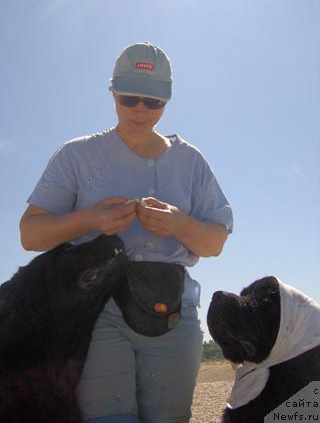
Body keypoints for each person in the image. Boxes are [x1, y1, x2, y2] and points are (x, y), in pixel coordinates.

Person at [19, 42, 233, 423]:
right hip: (97, 308)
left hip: (173, 311)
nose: (140, 109)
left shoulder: (191, 161)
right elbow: (30, 235)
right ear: (113, 92)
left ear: (166, 101)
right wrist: (90, 220)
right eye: (129, 97)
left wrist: (179, 224)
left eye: (152, 101)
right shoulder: (76, 155)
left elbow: (214, 242)